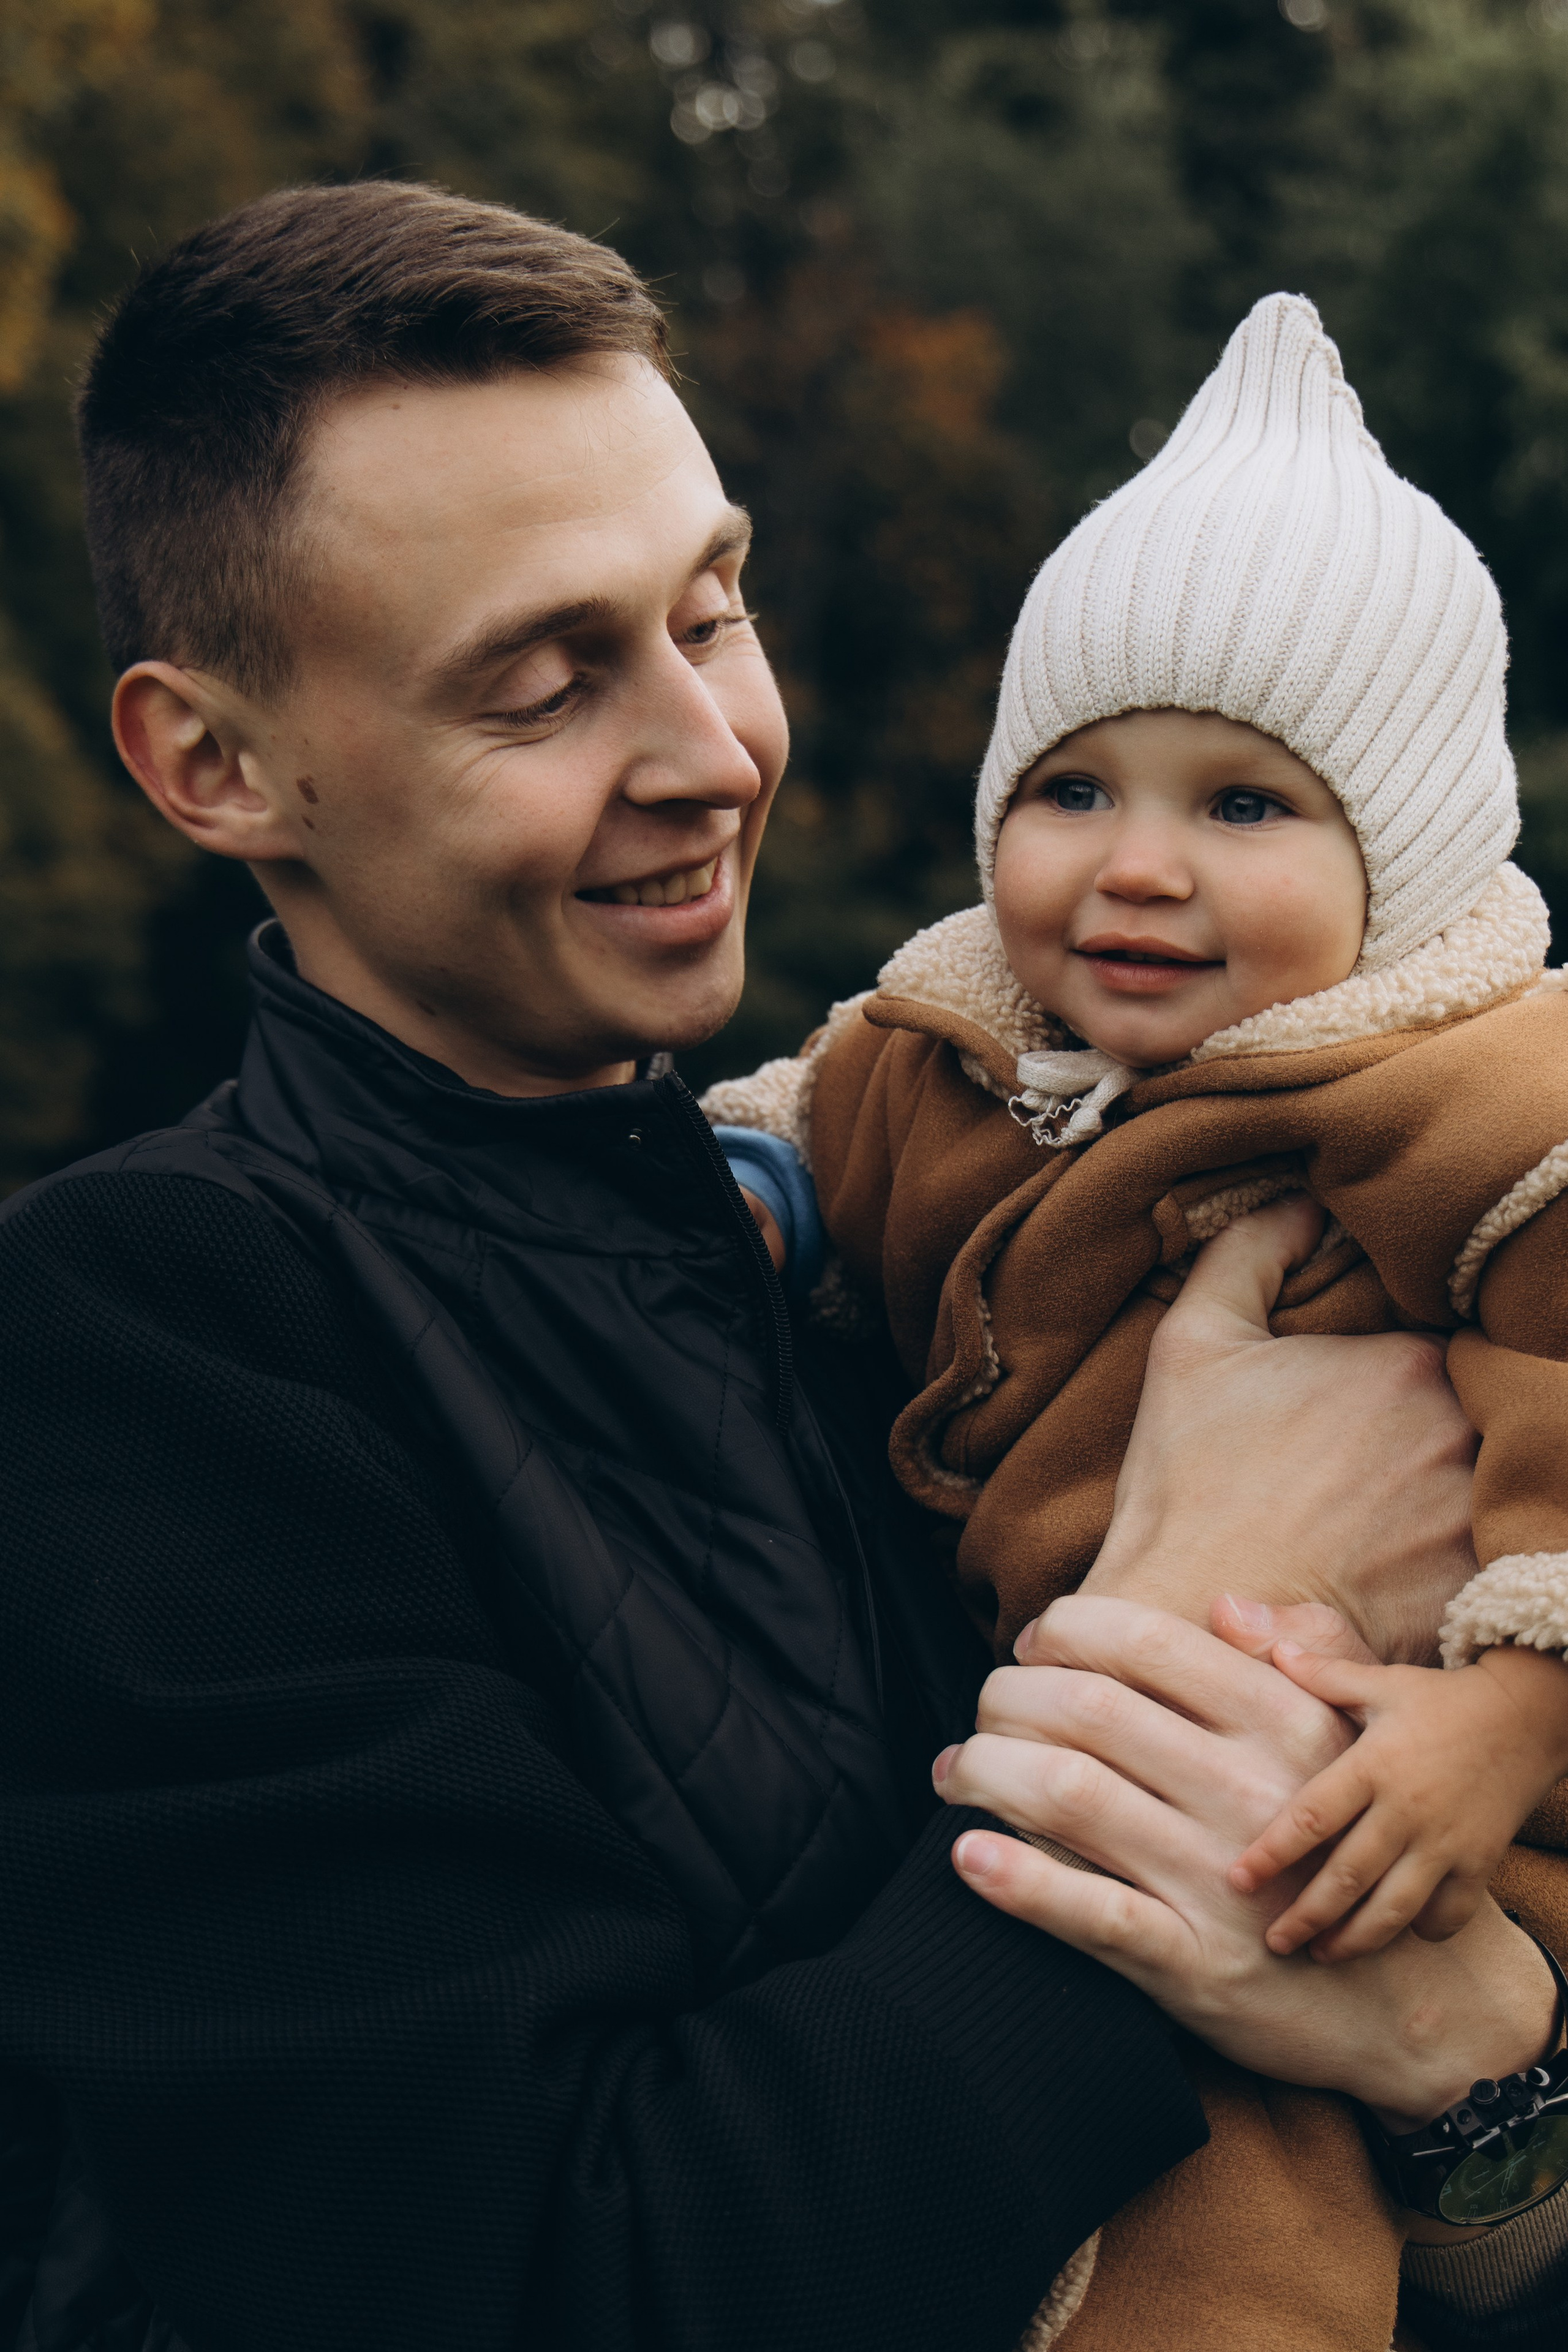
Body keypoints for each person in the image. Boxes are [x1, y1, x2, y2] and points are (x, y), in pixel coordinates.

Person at [0, 184, 1558, 2352]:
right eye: (547, 685)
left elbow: (1477, 2242)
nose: (716, 753)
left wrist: (1494, 2081)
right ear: (219, 763)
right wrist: (1162, 1650)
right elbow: (533, 2279)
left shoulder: (892, 1249)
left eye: (712, 612)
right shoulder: (158, 1339)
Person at [703, 293, 1568, 2340]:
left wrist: (1507, 1713)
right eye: (1074, 789)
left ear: (1409, 853)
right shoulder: (956, 1054)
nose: (1136, 871)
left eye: (1245, 808)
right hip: (1098, 1774)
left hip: (1399, 1796)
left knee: (1230, 2197)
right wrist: (714, 1223)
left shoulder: (1469, 1096)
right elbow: (788, 1154)